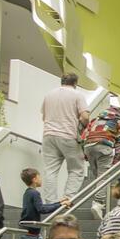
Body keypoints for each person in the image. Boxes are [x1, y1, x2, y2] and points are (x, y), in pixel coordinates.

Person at [40, 71, 90, 200]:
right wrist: (82, 127)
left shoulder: (49, 94)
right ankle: (67, 199)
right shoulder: (77, 95)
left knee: (50, 171)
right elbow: (85, 116)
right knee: (76, 169)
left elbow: (44, 117)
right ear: (75, 83)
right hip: (68, 135)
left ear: (61, 81)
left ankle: (50, 202)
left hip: (48, 135)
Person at [17, 167, 66, 239]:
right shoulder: (34, 193)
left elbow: (41, 207)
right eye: (39, 177)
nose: (41, 179)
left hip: (33, 230)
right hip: (30, 230)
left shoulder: (29, 193)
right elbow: (42, 209)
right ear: (34, 179)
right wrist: (60, 205)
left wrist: (59, 203)